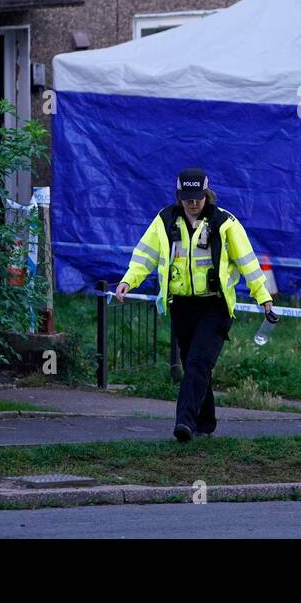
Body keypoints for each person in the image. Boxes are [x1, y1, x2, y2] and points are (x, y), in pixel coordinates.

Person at [115, 167, 273, 442]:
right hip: (181, 306)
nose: (193, 202)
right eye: (187, 197)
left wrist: (264, 299)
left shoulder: (225, 223)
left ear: (207, 194)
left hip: (215, 306)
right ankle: (206, 422)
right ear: (179, 196)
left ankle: (184, 424)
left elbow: (249, 263)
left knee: (199, 361)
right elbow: (145, 255)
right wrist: (129, 280)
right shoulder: (164, 221)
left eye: (198, 197)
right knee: (194, 365)